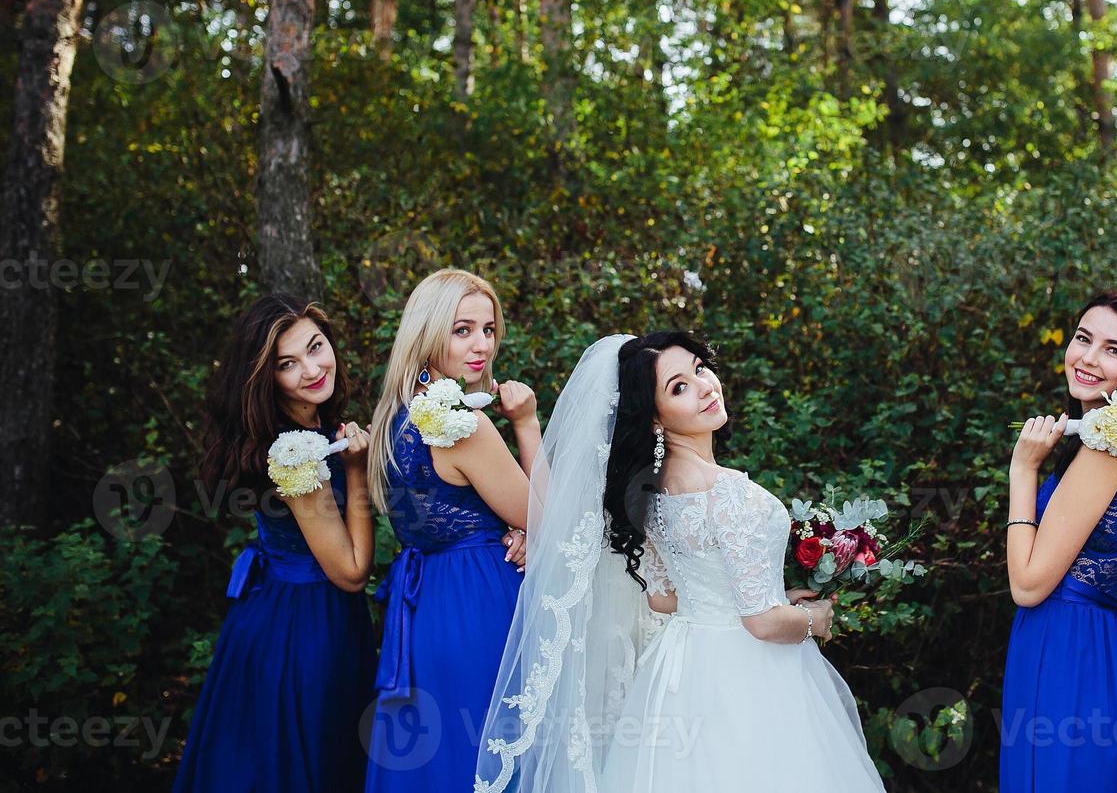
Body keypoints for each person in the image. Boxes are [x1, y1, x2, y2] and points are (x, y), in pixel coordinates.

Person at [475, 332, 885, 792]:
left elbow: (666, 599)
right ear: (654, 419)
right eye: (679, 387)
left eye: (699, 369)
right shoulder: (730, 493)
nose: (705, 385)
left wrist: (773, 595)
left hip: (678, 674)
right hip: (749, 678)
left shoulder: (648, 496)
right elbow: (764, 624)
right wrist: (814, 617)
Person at [173, 295, 376, 793]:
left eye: (316, 347)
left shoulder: (315, 425)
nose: (312, 368)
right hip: (302, 630)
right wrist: (357, 472)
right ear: (266, 378)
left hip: (291, 612)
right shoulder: (293, 454)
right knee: (297, 761)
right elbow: (351, 572)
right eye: (289, 364)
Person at [363, 268, 537, 790]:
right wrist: (526, 422)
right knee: (488, 754)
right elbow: (553, 521)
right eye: (462, 330)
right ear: (427, 332)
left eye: (488, 329)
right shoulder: (462, 423)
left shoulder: (393, 419)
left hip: (425, 611)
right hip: (480, 601)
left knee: (440, 761)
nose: (481, 344)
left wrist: (516, 521)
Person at [1000, 291, 1117, 791]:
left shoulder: (1105, 451)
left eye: (1113, 349)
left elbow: (1028, 586)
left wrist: (1023, 470)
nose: (1088, 358)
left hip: (1064, 650)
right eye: (1083, 339)